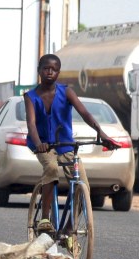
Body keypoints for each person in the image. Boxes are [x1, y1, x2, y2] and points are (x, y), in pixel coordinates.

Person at [24, 53, 118, 235]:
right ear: (39, 71)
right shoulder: (31, 96)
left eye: (54, 69)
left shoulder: (66, 92)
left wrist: (102, 133)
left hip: (65, 144)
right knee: (51, 167)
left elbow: (86, 114)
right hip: (43, 145)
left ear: (59, 72)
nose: (50, 72)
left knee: (83, 185)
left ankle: (70, 225)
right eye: (46, 68)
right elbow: (31, 124)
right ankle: (45, 218)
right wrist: (38, 144)